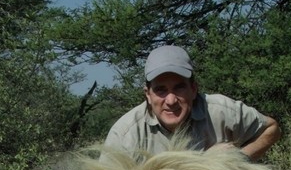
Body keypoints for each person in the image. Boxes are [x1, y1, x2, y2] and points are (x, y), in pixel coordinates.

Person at [104, 45, 281, 159]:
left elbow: (271, 128)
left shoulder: (220, 111)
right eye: (161, 90)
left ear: (194, 89)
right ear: (148, 94)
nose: (171, 100)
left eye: (179, 87)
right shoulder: (125, 135)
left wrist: (239, 159)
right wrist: (206, 164)